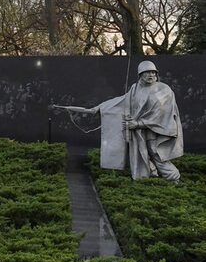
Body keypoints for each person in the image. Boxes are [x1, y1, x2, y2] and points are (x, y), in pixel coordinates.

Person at [54, 60, 182, 182]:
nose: (151, 75)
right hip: (138, 131)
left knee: (155, 153)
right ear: (140, 74)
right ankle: (150, 175)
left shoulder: (164, 90)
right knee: (141, 153)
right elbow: (122, 100)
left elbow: (160, 113)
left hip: (155, 130)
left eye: (153, 72)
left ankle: (173, 177)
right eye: (147, 72)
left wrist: (138, 124)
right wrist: (100, 107)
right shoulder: (135, 88)